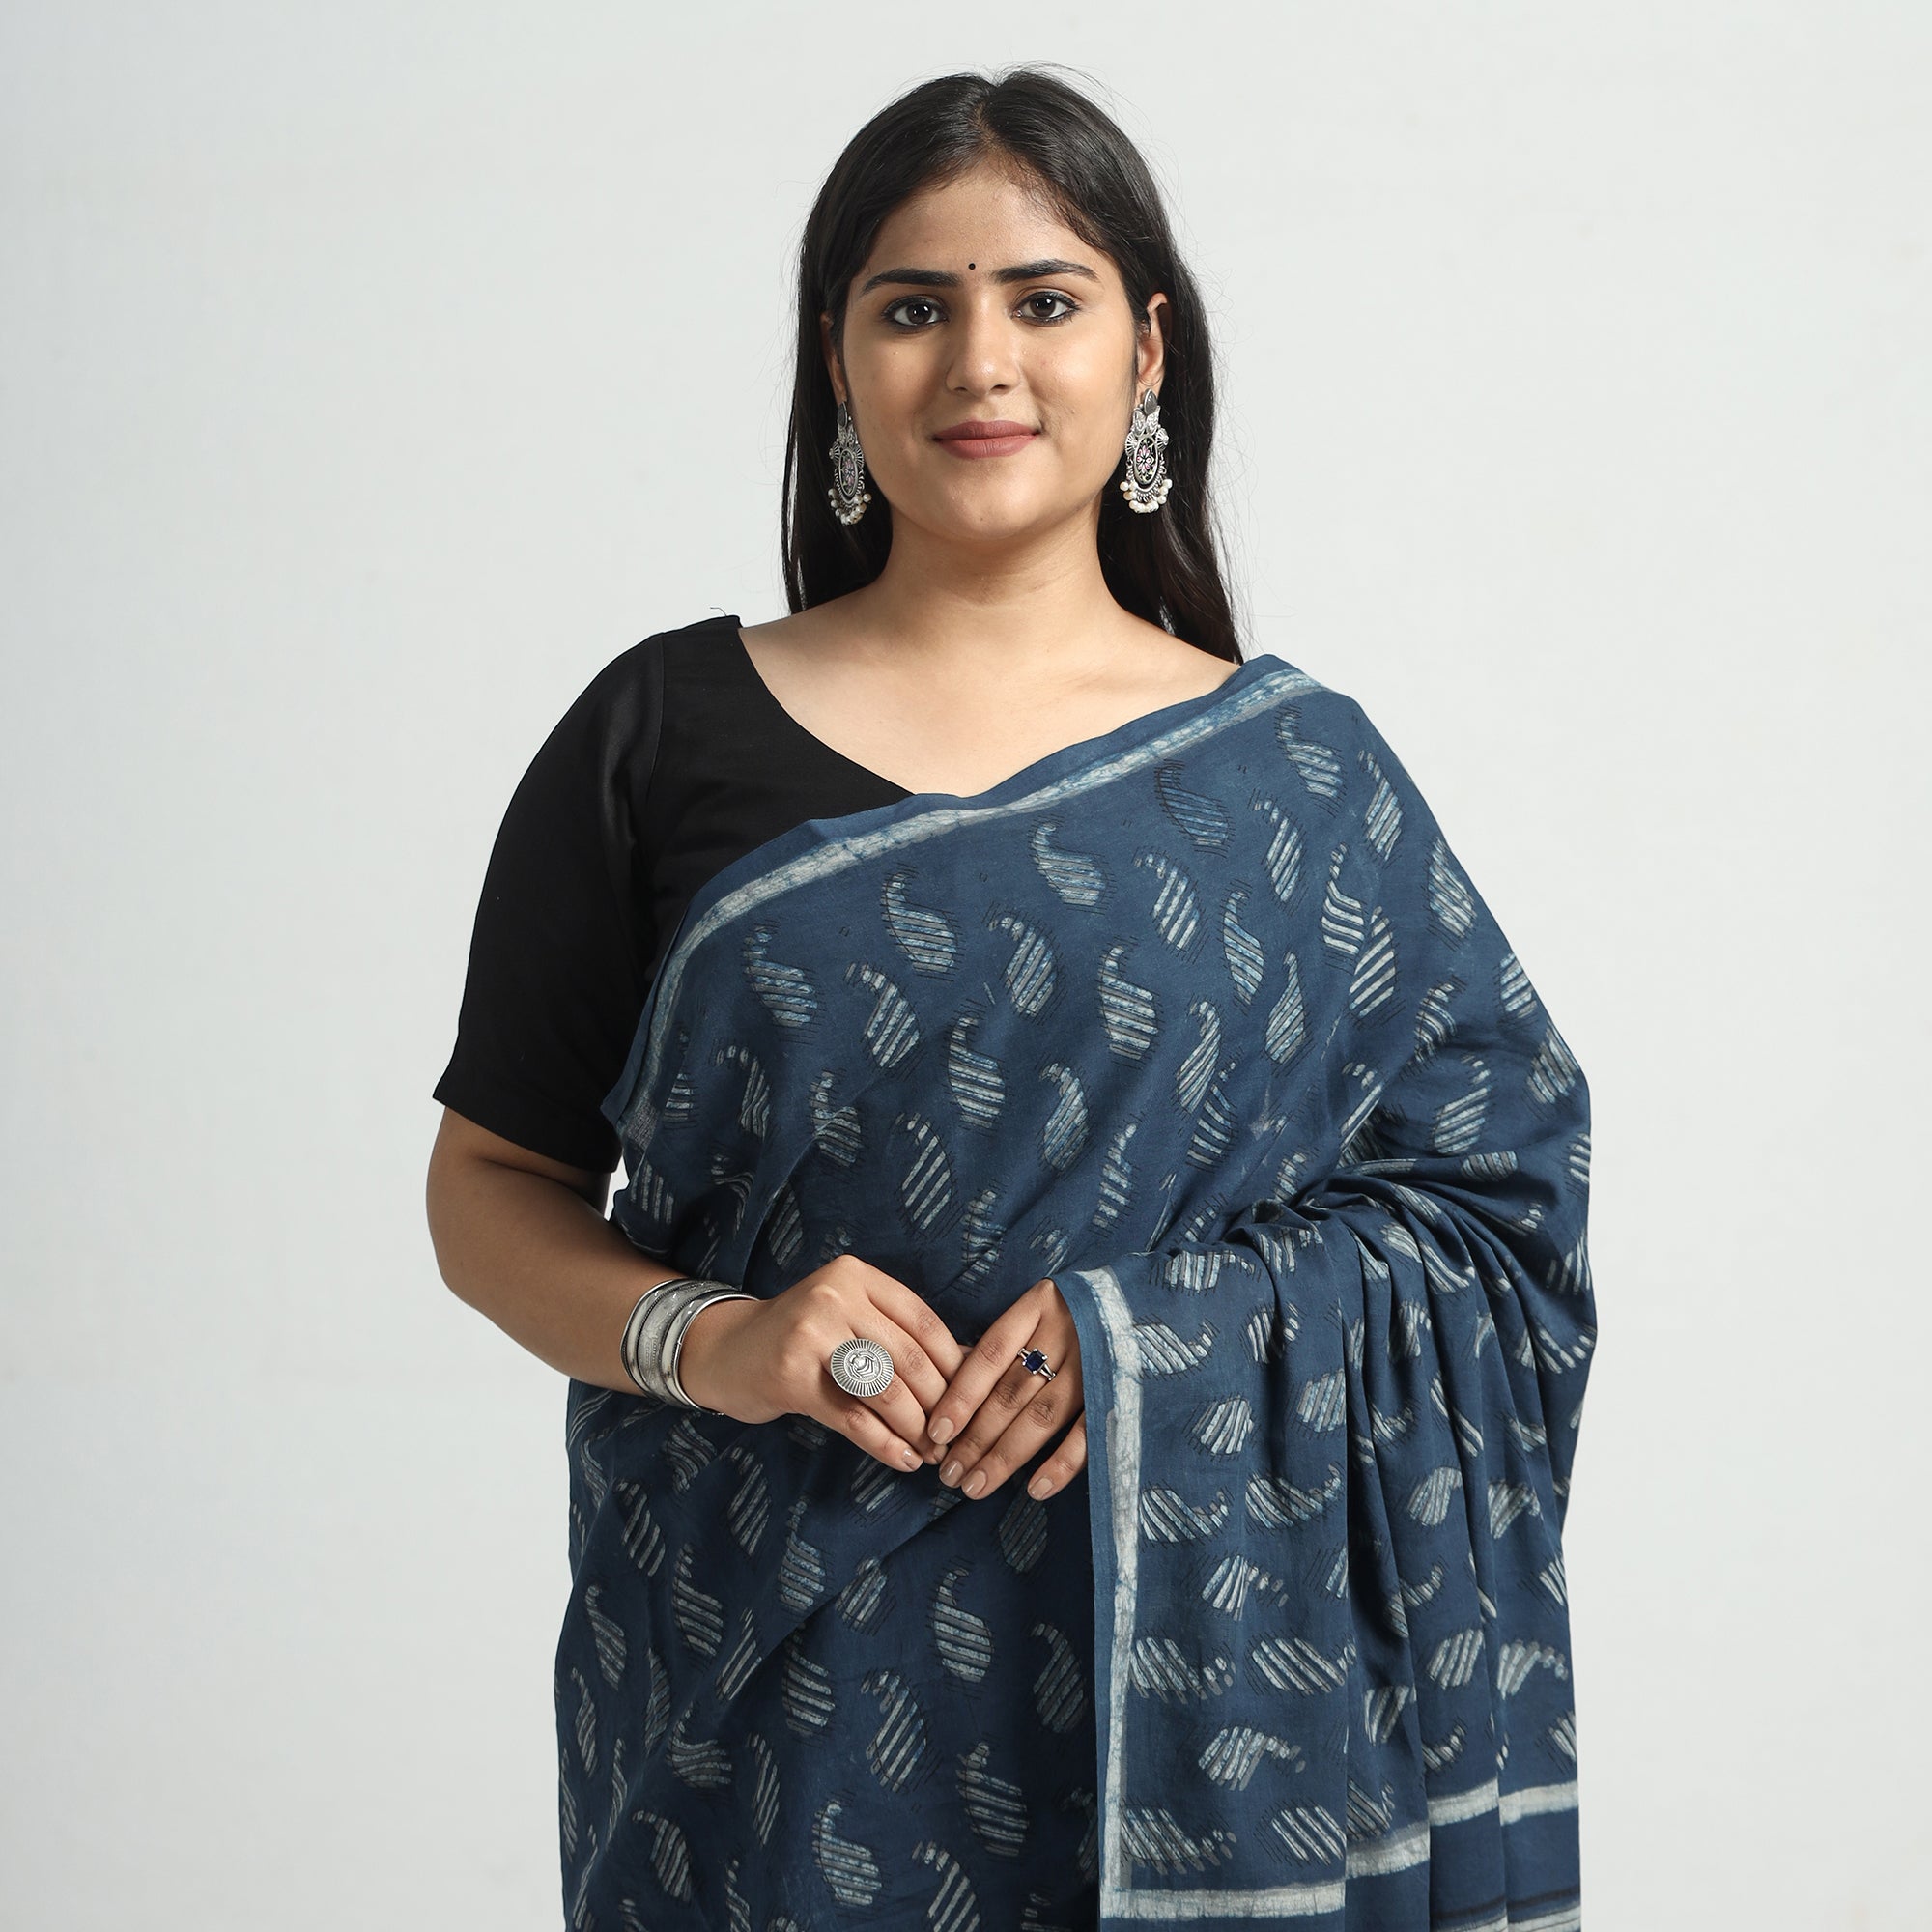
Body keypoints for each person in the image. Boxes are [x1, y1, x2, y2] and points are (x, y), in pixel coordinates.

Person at [425, 65, 1597, 1932]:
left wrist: (1161, 1343)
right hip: (759, 1711)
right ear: (837, 362)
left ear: (1146, 352)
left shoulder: (1299, 782)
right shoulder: (659, 732)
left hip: (1211, 1716)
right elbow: (488, 1189)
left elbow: (1501, 1212)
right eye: (914, 307)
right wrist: (717, 1340)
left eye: (1044, 300)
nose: (982, 362)